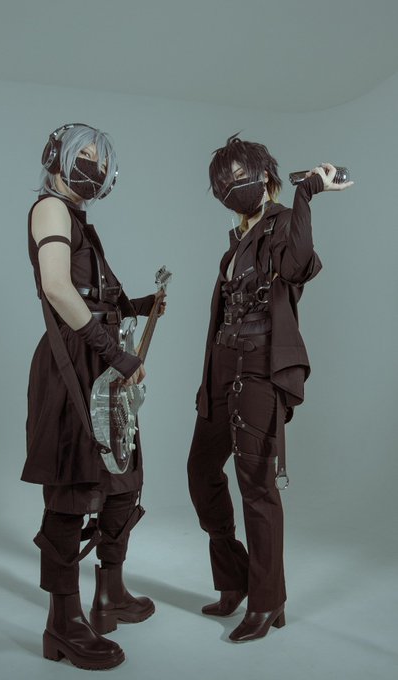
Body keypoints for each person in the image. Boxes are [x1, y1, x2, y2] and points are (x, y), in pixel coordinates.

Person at [187, 135, 353, 643]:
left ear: (266, 177)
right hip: (221, 368)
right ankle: (235, 578)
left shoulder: (282, 224)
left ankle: (267, 601)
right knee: (201, 471)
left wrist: (306, 195)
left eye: (241, 176)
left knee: (256, 487)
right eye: (224, 181)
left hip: (258, 369)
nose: (232, 187)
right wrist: (207, 380)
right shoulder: (236, 241)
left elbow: (298, 265)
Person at [21, 123, 165, 670]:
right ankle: (63, 623)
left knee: (123, 477)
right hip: (72, 362)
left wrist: (139, 305)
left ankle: (110, 595)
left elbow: (94, 294)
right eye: (82, 154)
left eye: (99, 159)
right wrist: (115, 353)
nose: (93, 166)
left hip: (100, 360)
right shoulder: (50, 209)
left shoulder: (80, 220)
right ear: (55, 157)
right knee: (73, 486)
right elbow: (57, 288)